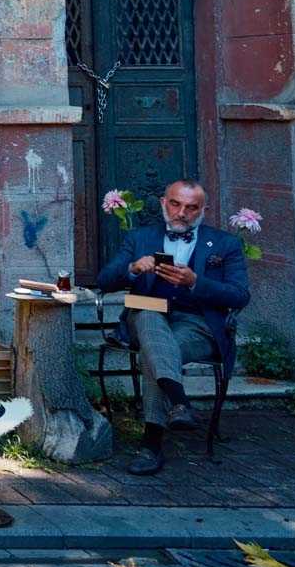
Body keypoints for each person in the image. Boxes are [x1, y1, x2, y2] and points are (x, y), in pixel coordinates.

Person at [94, 179, 249, 476]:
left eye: (191, 208)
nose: (182, 213)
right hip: (148, 313)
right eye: (176, 204)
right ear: (164, 203)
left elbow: (240, 295)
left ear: (203, 210)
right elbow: (104, 280)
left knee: (158, 353)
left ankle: (151, 444)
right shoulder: (140, 238)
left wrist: (196, 283)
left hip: (197, 325)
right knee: (148, 314)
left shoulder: (225, 244)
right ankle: (179, 402)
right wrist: (133, 268)